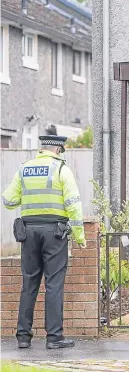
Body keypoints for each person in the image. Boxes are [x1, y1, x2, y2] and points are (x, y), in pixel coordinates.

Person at [2, 135, 86, 349]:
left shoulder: (25, 168)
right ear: (58, 150)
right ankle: (54, 338)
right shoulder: (61, 170)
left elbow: (8, 200)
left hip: (28, 232)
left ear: (42, 149)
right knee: (54, 284)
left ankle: (22, 336)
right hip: (55, 233)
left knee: (29, 283)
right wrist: (79, 235)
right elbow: (74, 205)